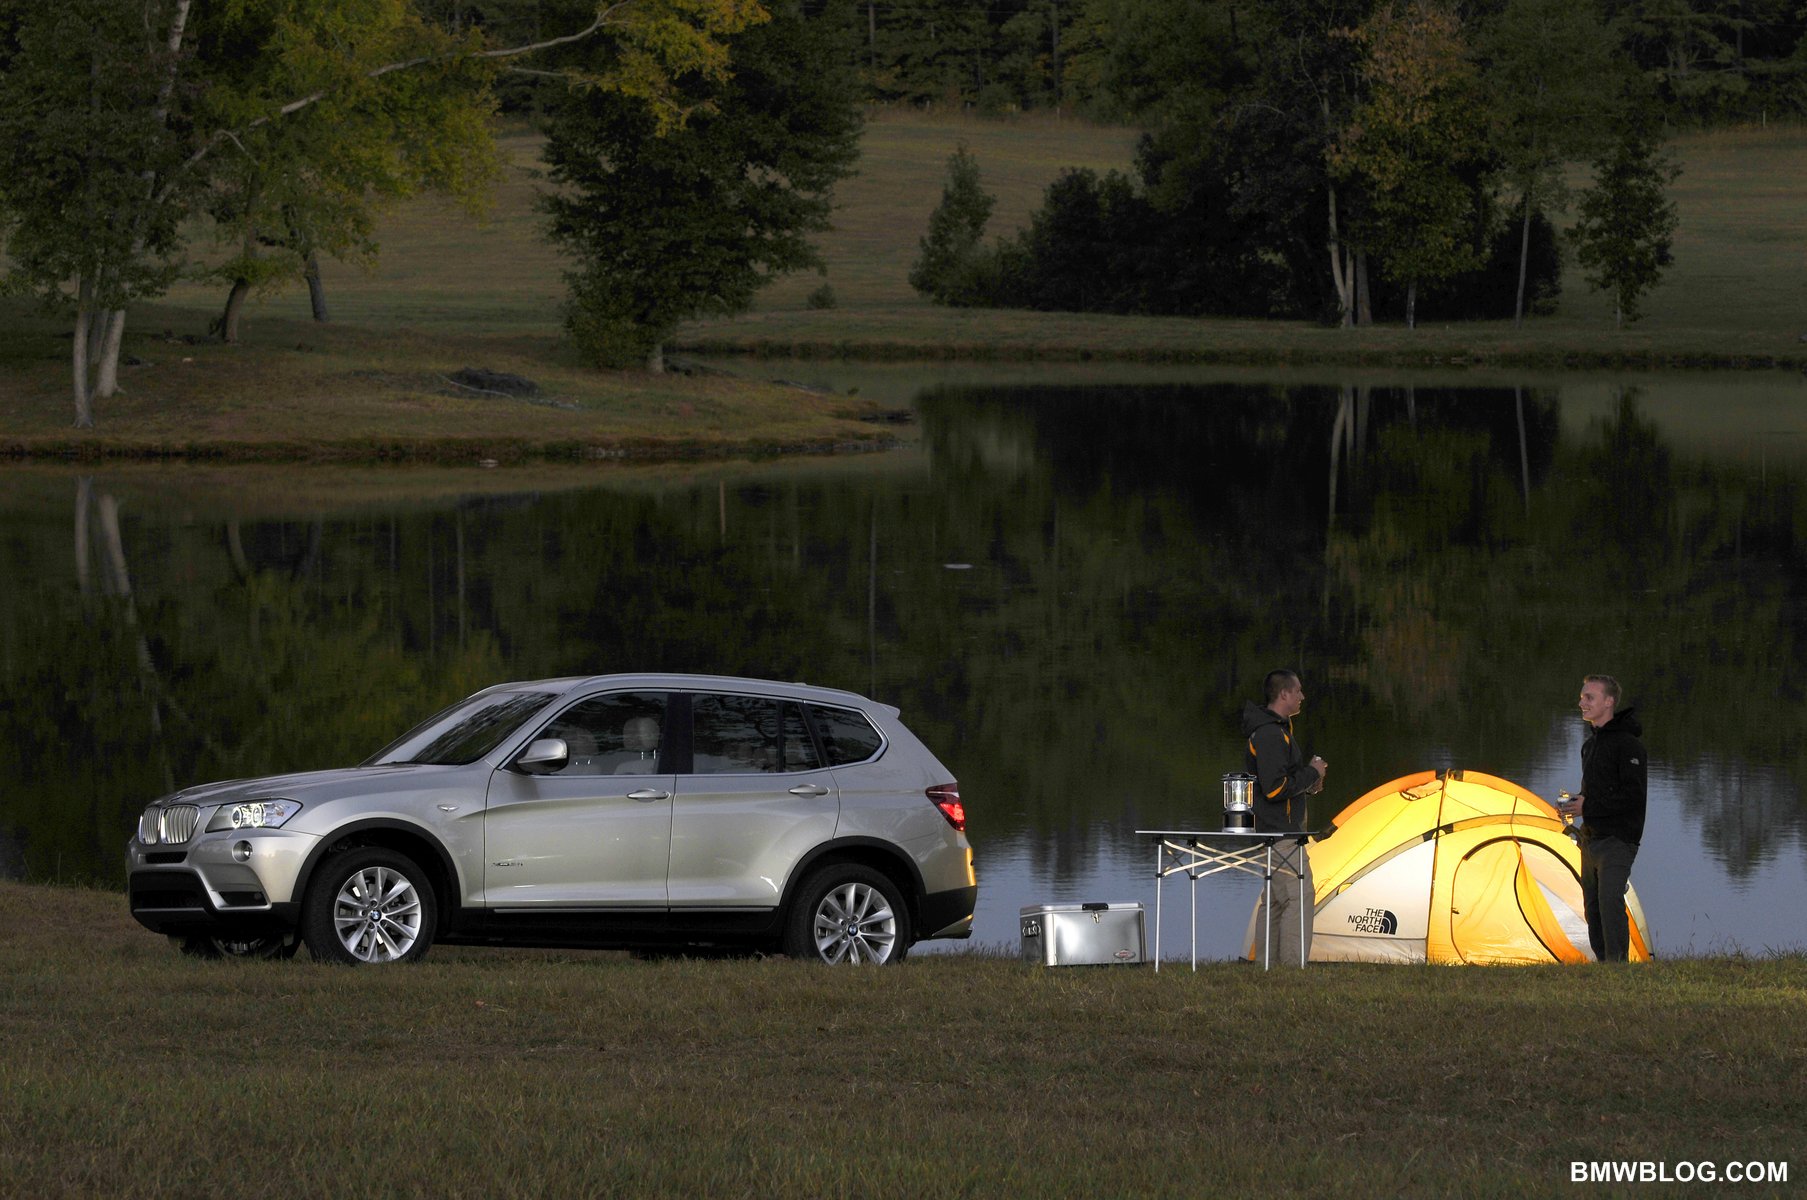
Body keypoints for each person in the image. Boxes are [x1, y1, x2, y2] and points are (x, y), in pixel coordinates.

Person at [1557, 675, 1647, 962]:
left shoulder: (1629, 746)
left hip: (1619, 839)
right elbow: (1596, 794)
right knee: (1593, 906)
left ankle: (1617, 965)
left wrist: (1589, 805)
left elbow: (1633, 797)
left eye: (1589, 697)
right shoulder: (1590, 745)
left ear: (1608, 702)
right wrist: (1577, 804)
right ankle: (1604, 963)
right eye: (1582, 697)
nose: (1581, 702)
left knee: (1610, 901)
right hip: (1591, 837)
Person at [1241, 669, 1326, 966]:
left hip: (1275, 830)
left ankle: (1270, 966)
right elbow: (1275, 788)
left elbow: (1282, 783)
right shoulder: (1270, 734)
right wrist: (1312, 771)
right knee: (1298, 896)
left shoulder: (1276, 730)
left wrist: (1310, 784)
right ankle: (1291, 967)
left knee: (1277, 901)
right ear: (1284, 694)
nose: (1302, 696)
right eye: (1298, 690)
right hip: (1281, 833)